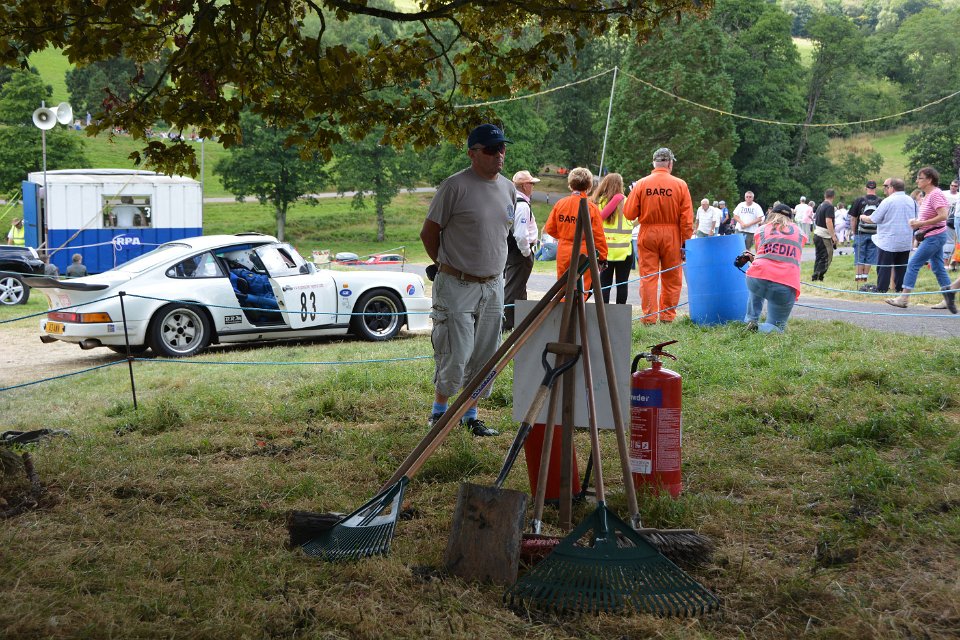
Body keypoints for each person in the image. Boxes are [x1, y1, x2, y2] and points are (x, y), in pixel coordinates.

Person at [420, 123, 516, 437]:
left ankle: (471, 415)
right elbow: (429, 232)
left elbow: (502, 234)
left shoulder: (508, 188)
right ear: (472, 153)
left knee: (485, 353)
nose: (499, 155)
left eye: (502, 148)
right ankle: (439, 413)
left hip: (493, 284)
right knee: (455, 351)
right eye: (491, 149)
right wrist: (446, 265)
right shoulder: (454, 186)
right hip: (457, 284)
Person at [623, 147, 694, 324]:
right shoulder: (680, 184)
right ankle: (667, 316)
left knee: (648, 276)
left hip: (648, 233)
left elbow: (629, 213)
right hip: (672, 235)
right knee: (672, 277)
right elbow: (687, 219)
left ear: (654, 163)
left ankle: (649, 317)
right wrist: (685, 243)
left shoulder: (641, 184)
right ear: (670, 163)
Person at [886, 167, 956, 313]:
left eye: (920, 177)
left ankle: (904, 298)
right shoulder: (930, 194)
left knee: (913, 264)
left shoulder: (935, 194)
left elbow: (943, 216)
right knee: (937, 267)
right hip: (933, 235)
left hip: (934, 236)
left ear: (929, 180)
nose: (917, 180)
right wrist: (918, 222)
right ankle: (948, 298)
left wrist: (921, 224)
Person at [740, 203, 805, 333]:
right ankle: (759, 329)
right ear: (791, 218)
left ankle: (750, 320)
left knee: (757, 278)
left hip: (757, 278)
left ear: (771, 214)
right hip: (785, 282)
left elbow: (761, 255)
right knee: (777, 327)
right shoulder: (800, 234)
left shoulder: (762, 229)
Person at [543, 167, 608, 296]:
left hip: (564, 251)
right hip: (584, 252)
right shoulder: (591, 208)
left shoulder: (561, 204)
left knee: (564, 288)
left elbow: (549, 228)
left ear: (570, 184)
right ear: (589, 186)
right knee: (581, 289)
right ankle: (578, 315)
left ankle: (564, 314)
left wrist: (564, 236)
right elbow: (598, 236)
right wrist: (603, 257)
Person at [860, 178, 914, 294]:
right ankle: (900, 289)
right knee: (901, 267)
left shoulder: (888, 201)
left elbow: (874, 219)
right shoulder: (911, 201)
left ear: (891, 188)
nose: (885, 189)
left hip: (888, 241)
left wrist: (863, 217)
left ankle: (882, 288)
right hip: (905, 240)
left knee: (884, 266)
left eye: (886, 187)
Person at [503, 170, 540, 331]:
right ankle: (506, 323)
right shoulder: (523, 205)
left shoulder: (512, 201)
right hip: (520, 252)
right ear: (525, 185)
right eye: (531, 183)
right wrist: (526, 252)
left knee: (518, 287)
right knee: (513, 289)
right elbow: (520, 234)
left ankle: (519, 321)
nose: (532, 186)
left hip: (514, 251)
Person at [592, 172, 632, 304]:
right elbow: (636, 220)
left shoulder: (597, 202)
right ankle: (620, 313)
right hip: (624, 251)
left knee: (605, 284)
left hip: (604, 251)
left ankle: (603, 314)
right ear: (620, 185)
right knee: (622, 284)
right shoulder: (627, 202)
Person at [848, 180, 882, 290]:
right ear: (875, 189)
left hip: (861, 232)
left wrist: (854, 232)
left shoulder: (859, 200)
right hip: (874, 233)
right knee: (871, 255)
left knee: (859, 254)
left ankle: (858, 278)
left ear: (865, 188)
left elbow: (853, 218)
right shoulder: (880, 201)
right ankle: (865, 278)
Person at [811, 189, 838, 281]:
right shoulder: (829, 207)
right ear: (833, 196)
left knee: (819, 257)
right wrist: (833, 236)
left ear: (824, 196)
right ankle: (818, 276)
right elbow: (828, 221)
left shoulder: (820, 205)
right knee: (827, 257)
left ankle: (816, 276)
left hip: (817, 233)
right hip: (824, 235)